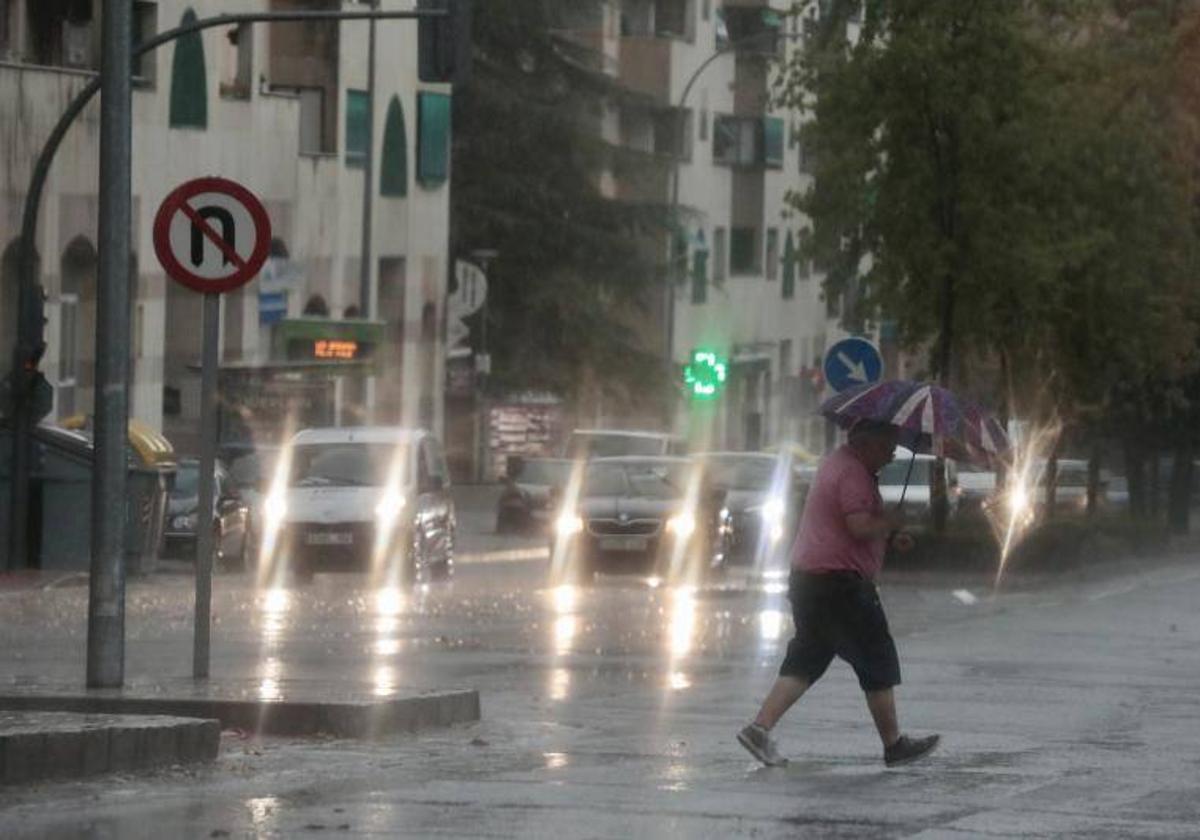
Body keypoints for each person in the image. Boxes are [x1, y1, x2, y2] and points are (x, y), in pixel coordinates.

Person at [737, 419, 940, 768]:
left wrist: (888, 535)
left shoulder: (835, 463)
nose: (891, 456)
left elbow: (847, 525)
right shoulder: (853, 473)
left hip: (810, 581)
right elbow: (858, 525)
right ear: (867, 443)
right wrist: (890, 522)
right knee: (876, 658)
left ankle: (759, 729)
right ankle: (894, 746)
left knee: (807, 658)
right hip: (840, 585)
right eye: (887, 448)